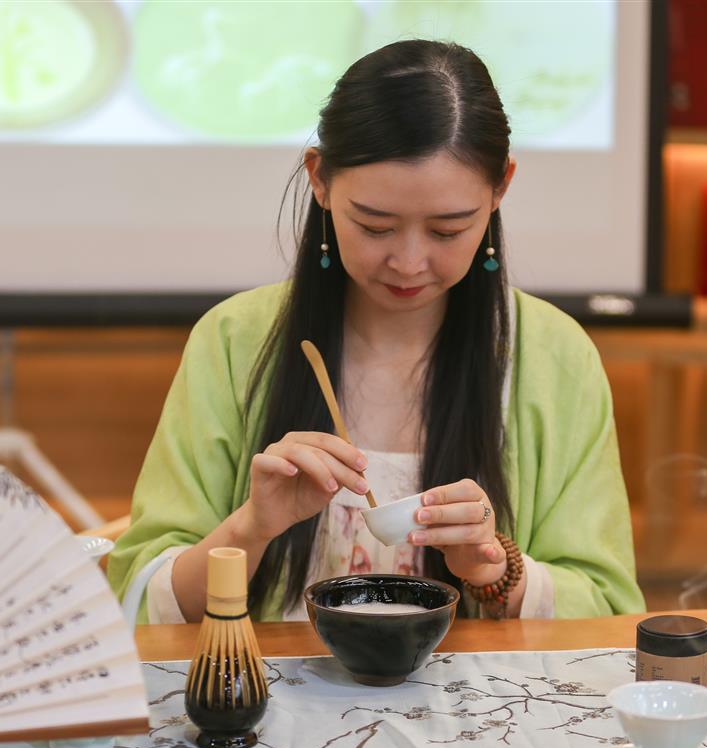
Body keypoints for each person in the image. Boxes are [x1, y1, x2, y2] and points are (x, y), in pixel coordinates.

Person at [109, 39, 645, 623]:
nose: (410, 262)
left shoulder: (552, 358)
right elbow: (139, 597)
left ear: (500, 189)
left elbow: (608, 611)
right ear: (319, 180)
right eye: (375, 226)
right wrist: (251, 528)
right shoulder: (235, 341)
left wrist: (493, 569)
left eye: (447, 230)